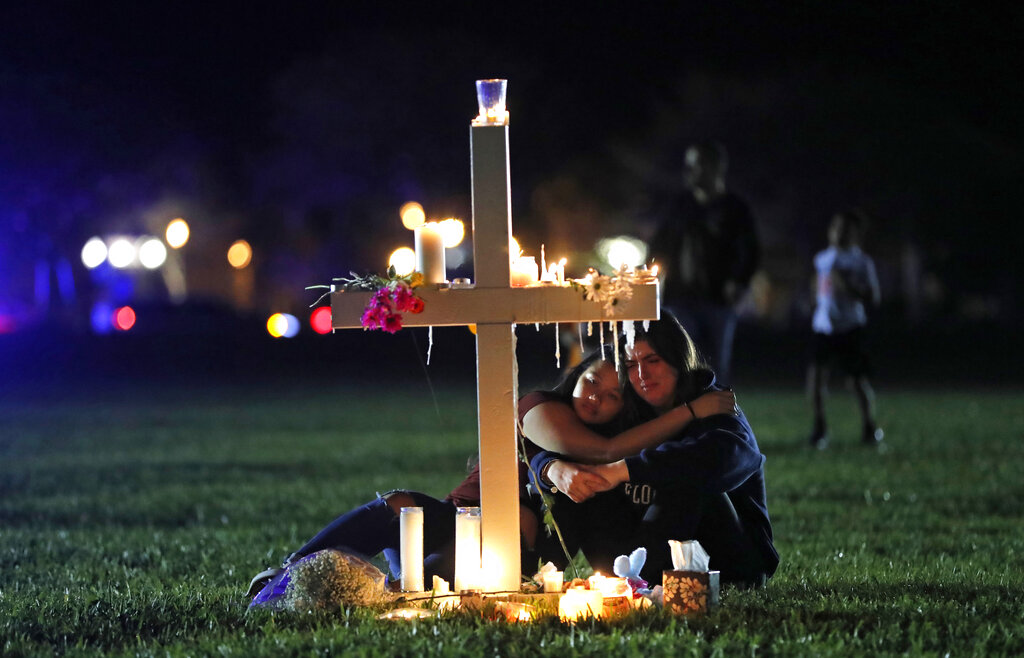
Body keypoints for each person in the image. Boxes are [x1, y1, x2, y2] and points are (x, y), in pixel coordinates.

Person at [246, 349, 736, 598]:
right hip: (454, 518)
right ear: (575, 377)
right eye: (591, 383)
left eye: (612, 397)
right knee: (401, 508)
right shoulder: (540, 408)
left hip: (506, 555)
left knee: (428, 586)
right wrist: (691, 412)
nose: (597, 399)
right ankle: (285, 574)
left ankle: (369, 590)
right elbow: (584, 448)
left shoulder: (610, 459)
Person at [530, 314, 779, 587]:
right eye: (631, 364)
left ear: (677, 358)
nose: (642, 375)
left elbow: (725, 457)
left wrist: (623, 470)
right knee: (576, 477)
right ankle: (540, 577)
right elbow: (557, 446)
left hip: (727, 562)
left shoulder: (713, 402)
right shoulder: (626, 406)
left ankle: (635, 584)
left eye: (652, 360)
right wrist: (551, 468)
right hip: (635, 554)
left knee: (688, 478)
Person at [649, 141, 760, 385]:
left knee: (717, 364)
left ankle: (717, 416)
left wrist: (738, 281)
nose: (690, 171)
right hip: (680, 298)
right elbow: (658, 244)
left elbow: (750, 250)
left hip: (718, 300)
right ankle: (686, 416)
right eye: (689, 165)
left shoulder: (734, 209)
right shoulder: (679, 206)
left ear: (716, 167)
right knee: (682, 359)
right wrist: (649, 275)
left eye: (697, 164)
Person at [808, 210, 883, 449]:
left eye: (845, 229)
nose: (839, 233)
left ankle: (869, 427)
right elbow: (819, 288)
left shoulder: (861, 261)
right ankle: (820, 429)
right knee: (817, 378)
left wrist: (848, 286)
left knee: (857, 380)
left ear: (855, 234)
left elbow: (874, 296)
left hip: (850, 327)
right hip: (823, 327)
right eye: (836, 227)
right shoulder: (822, 258)